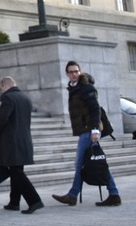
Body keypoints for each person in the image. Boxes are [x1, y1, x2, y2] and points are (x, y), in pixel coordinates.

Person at [52, 61, 122, 207]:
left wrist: (95, 130)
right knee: (95, 162)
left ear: (80, 71)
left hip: (89, 130)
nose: (73, 74)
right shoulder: (74, 89)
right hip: (85, 130)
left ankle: (73, 195)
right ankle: (113, 193)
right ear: (67, 74)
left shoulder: (85, 88)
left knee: (81, 163)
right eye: (71, 72)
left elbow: (95, 109)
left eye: (76, 71)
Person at [0, 76, 43, 214]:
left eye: (1, 88)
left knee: (17, 172)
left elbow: (3, 117)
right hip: (24, 140)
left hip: (12, 142)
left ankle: (34, 200)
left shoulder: (8, 98)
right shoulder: (25, 98)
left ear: (4, 86)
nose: (2, 91)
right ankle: (14, 202)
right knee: (16, 171)